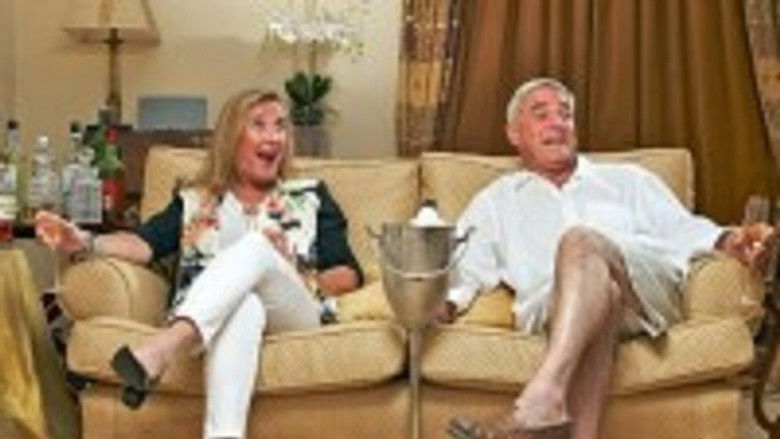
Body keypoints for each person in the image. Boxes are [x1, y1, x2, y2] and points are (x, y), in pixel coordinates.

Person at [439, 78, 774, 439]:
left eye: (566, 114)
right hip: (552, 305)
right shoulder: (495, 201)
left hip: (643, 292)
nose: (558, 122)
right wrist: (444, 303)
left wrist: (729, 239)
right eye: (541, 114)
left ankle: (541, 399)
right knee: (603, 294)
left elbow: (681, 228)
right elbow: (468, 266)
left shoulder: (629, 180)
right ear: (513, 133)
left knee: (581, 241)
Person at [35, 89, 363, 439]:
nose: (273, 137)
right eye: (259, 125)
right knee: (244, 306)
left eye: (280, 126)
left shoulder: (311, 196)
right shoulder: (194, 201)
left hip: (292, 312)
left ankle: (166, 346)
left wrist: (287, 265)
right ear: (232, 137)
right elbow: (143, 245)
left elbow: (347, 274)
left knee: (257, 246)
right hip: (224, 319)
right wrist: (85, 240)